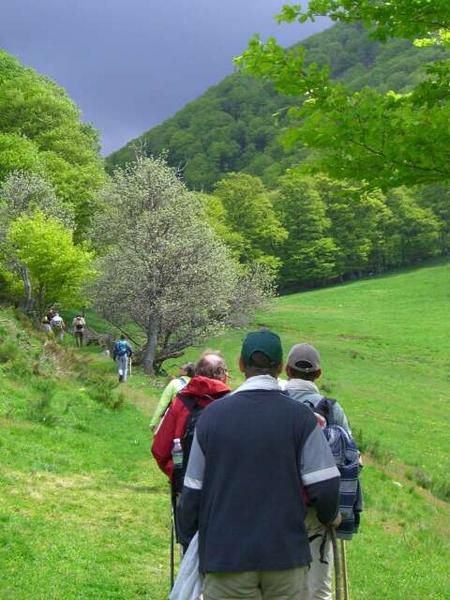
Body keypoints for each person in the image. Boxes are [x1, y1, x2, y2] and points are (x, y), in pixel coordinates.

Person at [177, 330, 341, 600]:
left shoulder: (211, 418)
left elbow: (193, 490)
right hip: (285, 557)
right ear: (279, 368)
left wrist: (190, 541)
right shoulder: (301, 418)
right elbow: (326, 485)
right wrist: (327, 517)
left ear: (241, 365)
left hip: (226, 558)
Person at [284, 342, 353, 600]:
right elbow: (350, 460)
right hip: (318, 510)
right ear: (318, 374)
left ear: (287, 370)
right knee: (317, 588)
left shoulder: (275, 403)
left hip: (277, 507)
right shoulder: (331, 409)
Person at [151, 351, 230, 485]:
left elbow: (160, 450)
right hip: (222, 488)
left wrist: (177, 474)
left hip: (186, 485)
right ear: (223, 375)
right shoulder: (233, 403)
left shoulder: (181, 401)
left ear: (197, 373)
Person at [149, 362, 195, 432]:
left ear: (185, 372)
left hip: (171, 417)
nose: (179, 370)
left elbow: (163, 403)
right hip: (188, 423)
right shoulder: (196, 386)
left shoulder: (175, 383)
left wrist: (154, 422)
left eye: (181, 368)